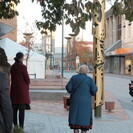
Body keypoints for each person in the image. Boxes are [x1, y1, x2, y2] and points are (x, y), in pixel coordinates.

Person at [66, 65, 98, 133]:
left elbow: (68, 88)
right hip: (86, 104)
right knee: (84, 124)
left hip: (75, 102)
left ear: (79, 70)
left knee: (75, 123)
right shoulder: (89, 80)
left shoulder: (73, 78)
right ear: (87, 71)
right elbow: (94, 90)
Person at [10, 52, 30, 129]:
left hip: (14, 91)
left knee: (14, 111)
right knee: (21, 111)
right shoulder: (23, 67)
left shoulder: (12, 66)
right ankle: (21, 128)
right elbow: (27, 79)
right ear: (21, 58)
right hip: (22, 92)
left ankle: (15, 127)